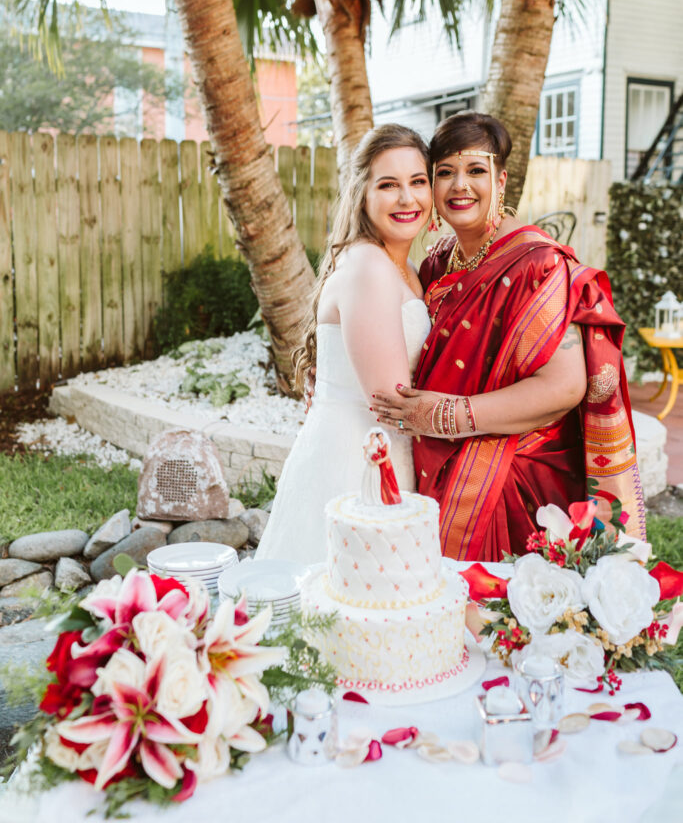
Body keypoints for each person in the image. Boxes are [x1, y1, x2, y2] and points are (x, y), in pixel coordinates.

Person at [372, 111, 645, 561]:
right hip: (441, 461)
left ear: (501, 181)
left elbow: (564, 387)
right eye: (445, 173)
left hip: (516, 480)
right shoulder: (438, 262)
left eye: (476, 171)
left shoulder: (536, 264)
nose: (460, 186)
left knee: (503, 615)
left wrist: (448, 417)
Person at [255, 125, 432, 565]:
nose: (407, 198)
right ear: (362, 194)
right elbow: (393, 400)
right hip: (357, 461)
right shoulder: (370, 265)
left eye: (418, 181)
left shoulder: (406, 265)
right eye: (388, 184)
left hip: (378, 451)